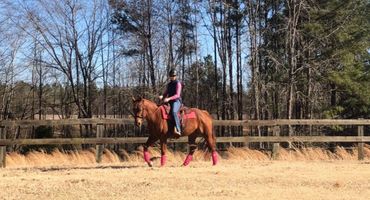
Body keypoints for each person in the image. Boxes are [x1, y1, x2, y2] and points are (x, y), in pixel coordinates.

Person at [159, 68, 182, 137]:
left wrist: (169, 98)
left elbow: (177, 95)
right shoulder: (169, 84)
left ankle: (178, 129)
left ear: (176, 76)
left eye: (174, 76)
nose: (173, 77)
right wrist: (162, 96)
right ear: (169, 76)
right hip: (169, 101)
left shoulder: (178, 84)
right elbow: (166, 92)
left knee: (174, 112)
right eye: (171, 76)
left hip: (176, 101)